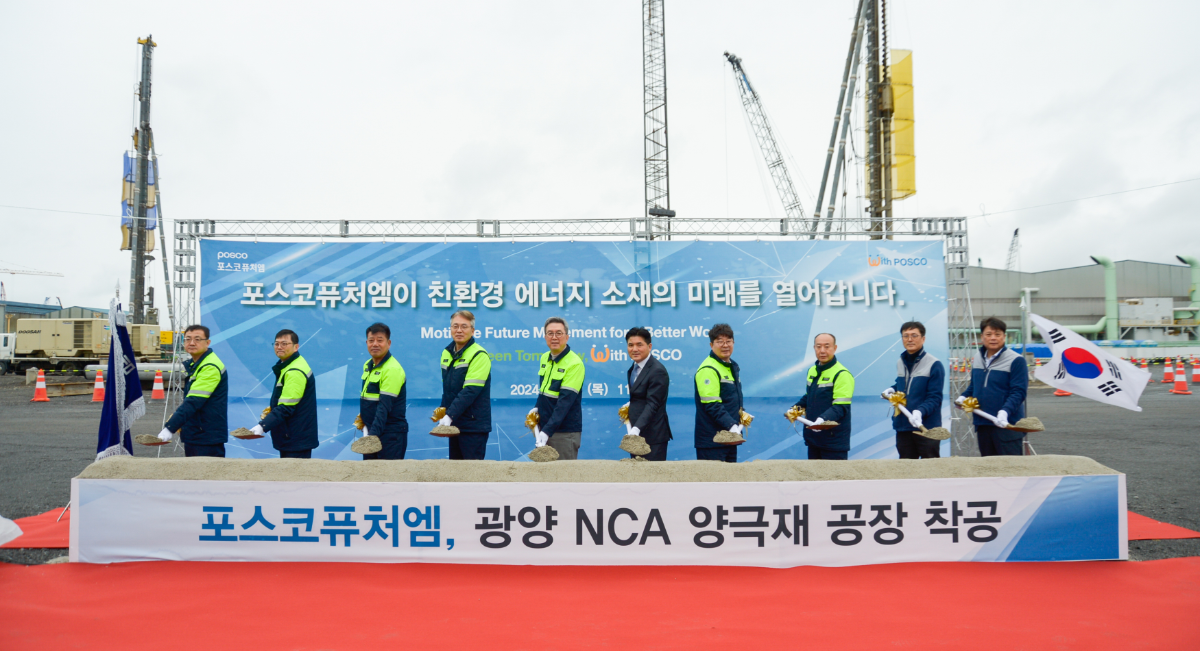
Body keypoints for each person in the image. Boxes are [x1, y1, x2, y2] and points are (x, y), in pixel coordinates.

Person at [957, 317, 1028, 456]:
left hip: (1007, 426)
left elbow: (1018, 392)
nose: (993, 338)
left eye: (998, 334)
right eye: (989, 334)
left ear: (1004, 336)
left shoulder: (1016, 360)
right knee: (989, 470)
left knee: (1010, 470)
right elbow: (975, 386)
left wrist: (1005, 411)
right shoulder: (978, 357)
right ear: (982, 337)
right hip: (983, 424)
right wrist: (963, 397)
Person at [243, 329, 318, 459]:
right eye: (276, 344)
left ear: (296, 347)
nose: (279, 347)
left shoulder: (295, 370)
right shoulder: (289, 365)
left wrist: (262, 426)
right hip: (293, 437)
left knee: (295, 477)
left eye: (284, 343)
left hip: (295, 440)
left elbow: (286, 407)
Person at [158, 325, 229, 457]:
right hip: (199, 433)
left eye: (197, 339)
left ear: (207, 342)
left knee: (205, 475)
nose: (192, 343)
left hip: (205, 437)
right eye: (188, 339)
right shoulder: (197, 364)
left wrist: (170, 427)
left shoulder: (210, 366)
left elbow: (193, 401)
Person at [882, 321, 945, 459]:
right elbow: (903, 385)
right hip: (904, 426)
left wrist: (919, 411)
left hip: (927, 428)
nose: (909, 339)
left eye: (914, 335)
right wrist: (892, 389)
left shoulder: (934, 364)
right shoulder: (901, 361)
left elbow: (935, 397)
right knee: (906, 471)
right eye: (906, 336)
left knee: (930, 470)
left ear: (923, 338)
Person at [439, 310, 492, 460]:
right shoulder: (446, 353)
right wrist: (442, 413)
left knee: (472, 476)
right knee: (456, 475)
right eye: (455, 326)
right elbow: (447, 389)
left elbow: (470, 390)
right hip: (454, 425)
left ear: (472, 330)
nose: (459, 330)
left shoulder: (479, 354)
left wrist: (449, 415)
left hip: (473, 427)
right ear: (450, 329)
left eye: (464, 326)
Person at [793, 333, 855, 460]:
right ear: (814, 348)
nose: (822, 351)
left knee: (834, 478)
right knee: (814, 479)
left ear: (835, 348)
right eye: (818, 346)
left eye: (827, 346)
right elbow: (809, 396)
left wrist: (822, 419)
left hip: (833, 442)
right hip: (813, 439)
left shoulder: (842, 374)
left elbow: (841, 406)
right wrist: (795, 408)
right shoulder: (812, 370)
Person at [532, 317, 585, 460]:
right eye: (550, 333)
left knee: (564, 479)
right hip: (545, 430)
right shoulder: (544, 358)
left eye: (558, 333)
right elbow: (543, 390)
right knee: (546, 478)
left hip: (564, 433)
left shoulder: (575, 363)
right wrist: (537, 408)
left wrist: (547, 431)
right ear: (545, 337)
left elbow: (565, 403)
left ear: (567, 337)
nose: (554, 337)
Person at [693, 323, 743, 463]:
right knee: (714, 484)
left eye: (728, 341)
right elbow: (712, 405)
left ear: (733, 343)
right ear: (711, 345)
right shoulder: (708, 368)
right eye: (720, 341)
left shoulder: (731, 366)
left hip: (729, 439)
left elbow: (731, 399)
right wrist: (732, 426)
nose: (725, 345)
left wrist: (740, 416)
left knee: (730, 483)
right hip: (712, 443)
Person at [359, 322, 409, 460]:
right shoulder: (368, 365)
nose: (375, 344)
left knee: (388, 479)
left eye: (380, 340)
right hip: (373, 431)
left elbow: (384, 407)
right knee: (369, 478)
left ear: (389, 343)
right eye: (371, 340)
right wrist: (364, 422)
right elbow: (369, 398)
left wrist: (372, 437)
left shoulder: (392, 369)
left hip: (390, 436)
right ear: (367, 342)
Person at [623, 326, 672, 461]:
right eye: (630, 345)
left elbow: (653, 403)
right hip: (636, 437)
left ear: (649, 346)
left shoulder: (657, 370)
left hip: (653, 436)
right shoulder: (633, 368)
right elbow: (640, 397)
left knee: (653, 479)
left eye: (639, 345)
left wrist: (636, 429)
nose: (634, 349)